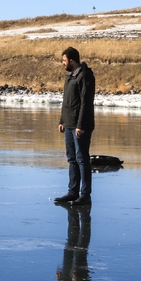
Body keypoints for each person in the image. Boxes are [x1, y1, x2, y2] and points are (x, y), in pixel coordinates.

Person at [54, 47, 95, 206]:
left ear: (72, 60)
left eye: (64, 60)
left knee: (82, 159)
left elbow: (86, 102)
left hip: (80, 126)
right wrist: (61, 121)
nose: (63, 63)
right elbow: (66, 102)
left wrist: (81, 125)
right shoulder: (69, 76)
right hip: (69, 124)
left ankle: (85, 195)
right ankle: (73, 192)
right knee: (72, 159)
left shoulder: (85, 75)